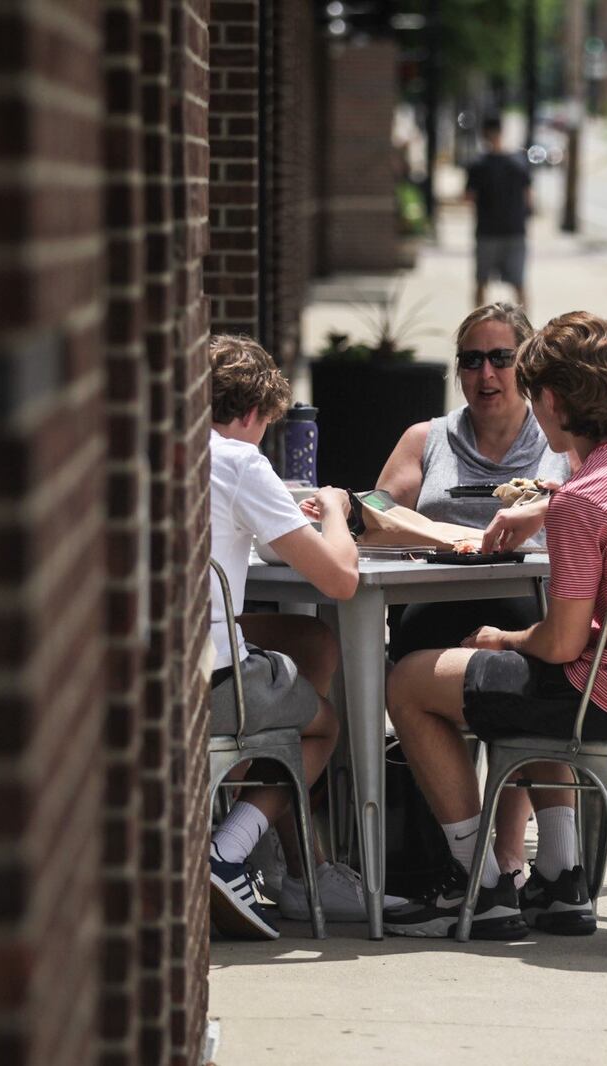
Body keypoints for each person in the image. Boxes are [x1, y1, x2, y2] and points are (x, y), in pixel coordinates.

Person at [382, 312, 607, 940]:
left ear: (547, 400)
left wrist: (501, 640)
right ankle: (562, 876)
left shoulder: (581, 501)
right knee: (530, 673)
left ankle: (481, 886)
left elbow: (562, 642)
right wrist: (550, 501)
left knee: (411, 680)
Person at [206, 334, 369, 938]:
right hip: (211, 682)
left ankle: (291, 853)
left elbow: (261, 539)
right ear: (250, 415)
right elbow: (341, 579)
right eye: (264, 427)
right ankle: (230, 847)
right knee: (322, 722)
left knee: (311, 643)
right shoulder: (239, 460)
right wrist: (331, 510)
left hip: (142, 664)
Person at [375, 302, 573, 660]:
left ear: (526, 366)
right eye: (472, 360)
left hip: (531, 604)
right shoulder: (425, 439)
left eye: (501, 358)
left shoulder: (561, 442)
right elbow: (377, 515)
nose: (486, 374)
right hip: (431, 600)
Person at [465, 118, 532, 308]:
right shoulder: (518, 163)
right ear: (502, 132)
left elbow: (469, 197)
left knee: (481, 282)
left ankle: (475, 328)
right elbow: (529, 198)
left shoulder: (477, 164)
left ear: (483, 135)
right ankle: (527, 330)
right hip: (515, 230)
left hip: (487, 230)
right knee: (519, 284)